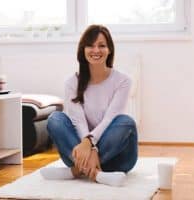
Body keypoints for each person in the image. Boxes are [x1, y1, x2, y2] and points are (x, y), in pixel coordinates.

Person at [40, 24, 138, 187]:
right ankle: (98, 174)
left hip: (118, 159)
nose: (96, 50)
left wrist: (89, 144)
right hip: (82, 152)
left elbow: (109, 119)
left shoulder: (123, 81)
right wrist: (87, 146)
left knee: (125, 122)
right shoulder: (72, 83)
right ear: (83, 50)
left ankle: (75, 171)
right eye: (90, 45)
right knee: (55, 119)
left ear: (110, 50)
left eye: (102, 45)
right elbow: (78, 121)